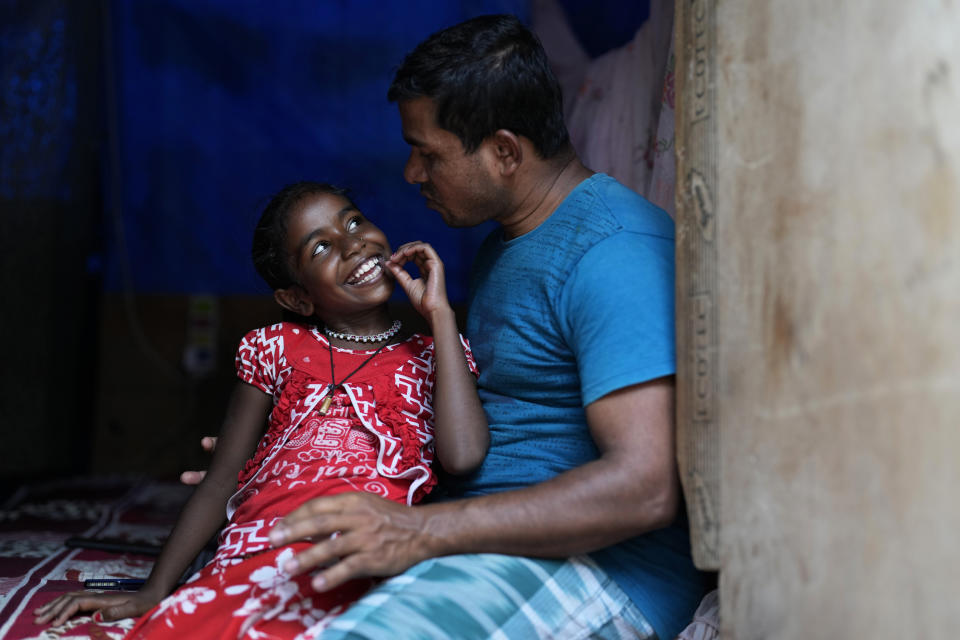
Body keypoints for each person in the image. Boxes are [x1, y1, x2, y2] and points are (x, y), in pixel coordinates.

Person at [254, 14, 705, 640]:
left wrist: (418, 532)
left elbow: (644, 488)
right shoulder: (512, 242)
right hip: (484, 545)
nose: (412, 173)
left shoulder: (615, 254)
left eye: (428, 153)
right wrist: (290, 451)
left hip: (597, 572)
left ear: (503, 152)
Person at [33, 181, 489, 638]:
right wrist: (156, 589)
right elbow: (222, 479)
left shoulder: (436, 353)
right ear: (297, 298)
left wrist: (441, 316)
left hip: (367, 546)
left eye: (354, 221)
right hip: (263, 538)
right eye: (322, 247)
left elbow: (463, 455)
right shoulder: (275, 348)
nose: (354, 244)